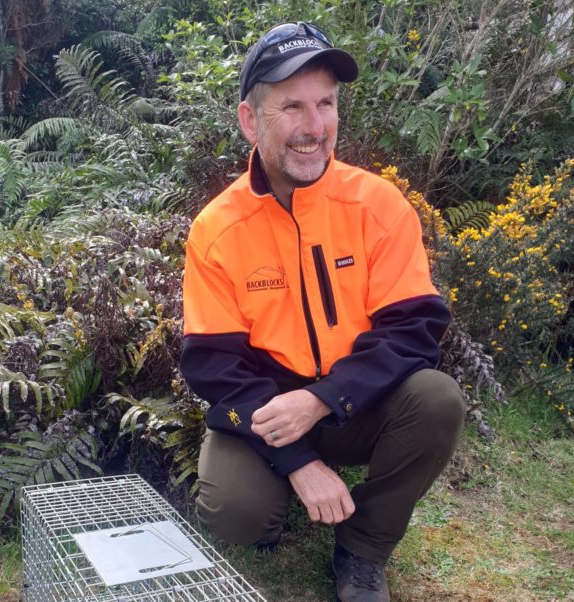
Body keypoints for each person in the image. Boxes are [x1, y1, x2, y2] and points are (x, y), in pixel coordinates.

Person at [180, 21, 465, 602]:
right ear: (249, 120)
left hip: (356, 403)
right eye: (291, 107)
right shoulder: (216, 229)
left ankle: (363, 549)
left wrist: (322, 400)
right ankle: (277, 495)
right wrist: (299, 460)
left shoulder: (378, 205)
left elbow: (414, 331)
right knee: (234, 516)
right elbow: (214, 367)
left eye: (326, 104)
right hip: (267, 412)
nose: (314, 128)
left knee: (438, 400)